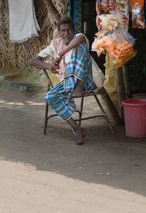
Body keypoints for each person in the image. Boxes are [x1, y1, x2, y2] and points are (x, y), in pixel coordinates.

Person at [29, 16, 96, 145]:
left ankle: (79, 84)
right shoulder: (55, 44)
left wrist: (59, 56)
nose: (66, 33)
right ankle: (77, 129)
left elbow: (79, 39)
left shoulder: (79, 37)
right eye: (63, 31)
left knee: (77, 47)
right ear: (59, 32)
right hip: (67, 82)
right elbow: (33, 60)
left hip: (84, 81)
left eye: (68, 30)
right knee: (50, 96)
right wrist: (49, 66)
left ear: (73, 30)